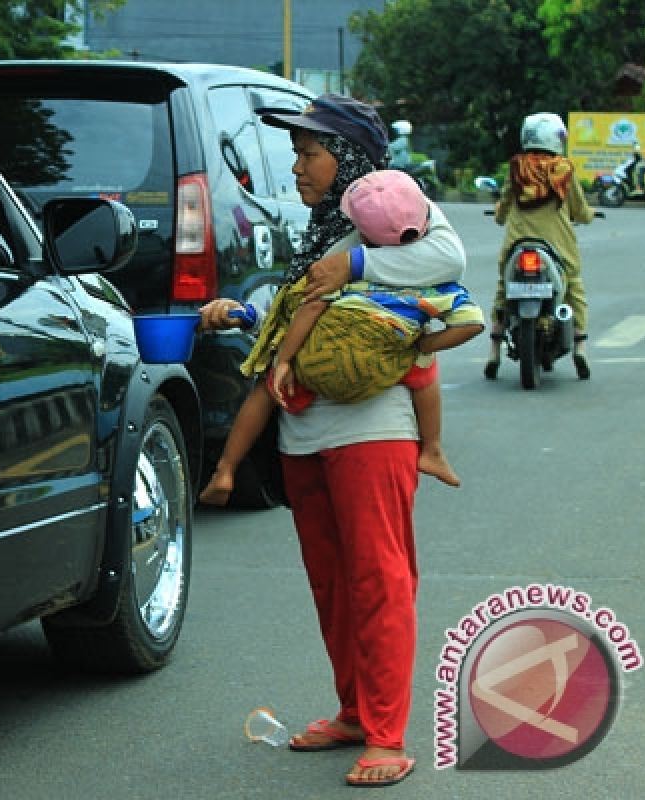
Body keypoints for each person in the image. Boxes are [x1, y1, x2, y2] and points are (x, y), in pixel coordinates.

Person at [198, 93, 466, 788]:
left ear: (347, 156)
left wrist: (355, 268)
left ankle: (386, 734)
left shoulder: (388, 214)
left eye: (309, 153)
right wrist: (245, 314)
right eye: (297, 153)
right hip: (302, 434)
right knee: (332, 584)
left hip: (371, 429)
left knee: (380, 581)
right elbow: (309, 311)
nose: (297, 167)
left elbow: (448, 256)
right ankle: (353, 711)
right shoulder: (325, 229)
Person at [198, 169, 483, 507]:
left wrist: (285, 359)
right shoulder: (435, 285)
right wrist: (424, 345)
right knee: (423, 370)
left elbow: (308, 308)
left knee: (267, 386)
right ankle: (433, 448)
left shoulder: (338, 272)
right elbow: (471, 324)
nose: (298, 167)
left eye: (309, 154)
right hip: (373, 379)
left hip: (317, 380)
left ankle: (226, 468)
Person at [486, 112, 594, 380]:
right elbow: (579, 209)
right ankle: (580, 344)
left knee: (504, 287)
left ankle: (494, 349)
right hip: (557, 244)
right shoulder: (564, 169)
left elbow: (506, 203)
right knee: (573, 285)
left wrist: (499, 216)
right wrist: (588, 215)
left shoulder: (517, 167)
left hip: (518, 242)